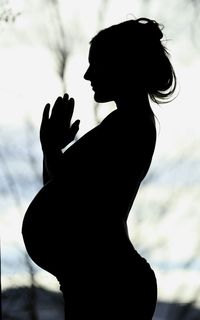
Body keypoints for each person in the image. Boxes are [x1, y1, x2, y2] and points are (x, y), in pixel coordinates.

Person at [22, 17, 177, 319]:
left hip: (110, 285)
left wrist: (52, 148)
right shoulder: (123, 123)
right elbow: (56, 190)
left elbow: (76, 195)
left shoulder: (129, 125)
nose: (87, 74)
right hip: (94, 282)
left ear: (123, 64)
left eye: (97, 64)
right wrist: (51, 151)